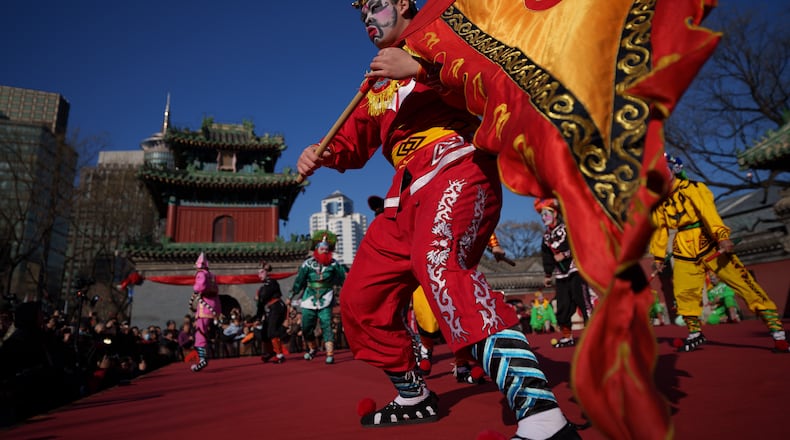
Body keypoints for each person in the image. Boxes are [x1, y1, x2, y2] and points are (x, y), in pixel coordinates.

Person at [295, 2, 578, 438]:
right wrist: (323, 151)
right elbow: (353, 142)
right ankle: (413, 394)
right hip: (403, 195)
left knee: (440, 265)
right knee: (359, 298)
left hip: (457, 167)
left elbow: (494, 80)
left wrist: (422, 68)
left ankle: (542, 414)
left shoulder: (447, 32)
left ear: (405, 2)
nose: (368, 20)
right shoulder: (375, 82)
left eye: (376, 6)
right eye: (362, 16)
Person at [649, 154, 789, 353]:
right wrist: (658, 256)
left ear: (673, 169)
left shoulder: (694, 189)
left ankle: (777, 332)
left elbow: (708, 212)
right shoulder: (658, 202)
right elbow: (660, 229)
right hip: (683, 247)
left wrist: (721, 236)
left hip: (708, 241)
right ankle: (695, 333)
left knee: (743, 283)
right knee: (684, 292)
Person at [535, 198, 589, 348]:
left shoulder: (567, 228)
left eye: (546, 214)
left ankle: (592, 334)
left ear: (555, 213)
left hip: (575, 270)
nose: (544, 217)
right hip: (561, 274)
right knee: (563, 305)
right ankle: (567, 336)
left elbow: (579, 244)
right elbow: (546, 256)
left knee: (583, 302)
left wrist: (565, 254)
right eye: (542, 215)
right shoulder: (546, 237)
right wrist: (547, 274)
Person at [288, 231, 346, 365]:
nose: (324, 252)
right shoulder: (307, 264)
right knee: (307, 327)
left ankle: (330, 353)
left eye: (327, 250)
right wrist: (292, 295)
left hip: (326, 295)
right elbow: (299, 281)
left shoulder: (334, 264)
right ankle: (313, 348)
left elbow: (343, 279)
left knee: (326, 323)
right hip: (309, 297)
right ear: (316, 249)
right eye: (322, 249)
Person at [188, 252, 221, 371]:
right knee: (206, 331)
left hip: (204, 307)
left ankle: (202, 359)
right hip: (213, 305)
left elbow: (199, 287)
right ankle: (204, 357)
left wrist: (195, 289)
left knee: (199, 332)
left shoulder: (201, 274)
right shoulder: (212, 275)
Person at [256, 261, 288, 364]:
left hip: (277, 307)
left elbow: (264, 295)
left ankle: (279, 354)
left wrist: (259, 296)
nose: (259, 275)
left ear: (266, 272)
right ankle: (269, 352)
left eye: (261, 272)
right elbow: (261, 303)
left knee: (272, 331)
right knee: (264, 332)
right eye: (258, 272)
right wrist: (258, 317)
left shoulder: (271, 282)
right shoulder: (263, 286)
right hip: (270, 309)